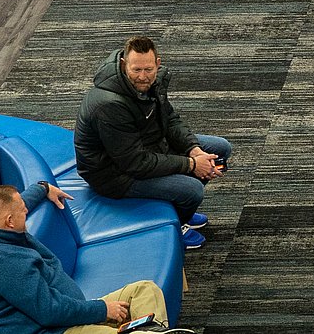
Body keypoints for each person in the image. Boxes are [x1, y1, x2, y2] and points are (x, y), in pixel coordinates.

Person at [75, 35, 233, 250]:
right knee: (192, 190)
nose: (142, 77)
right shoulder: (108, 105)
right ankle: (173, 224)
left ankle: (175, 210)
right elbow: (134, 163)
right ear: (123, 65)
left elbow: (170, 121)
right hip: (113, 173)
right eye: (136, 70)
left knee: (219, 148)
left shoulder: (153, 83)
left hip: (145, 146)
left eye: (148, 70)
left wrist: (194, 150)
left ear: (157, 64)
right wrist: (192, 165)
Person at [0, 184, 189, 334]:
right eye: (23, 213)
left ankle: (150, 331)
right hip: (56, 329)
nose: (26, 213)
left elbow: (17, 202)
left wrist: (43, 188)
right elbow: (49, 312)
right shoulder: (3, 262)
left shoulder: (1, 230)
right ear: (9, 221)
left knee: (145, 290)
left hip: (74, 312)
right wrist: (102, 310)